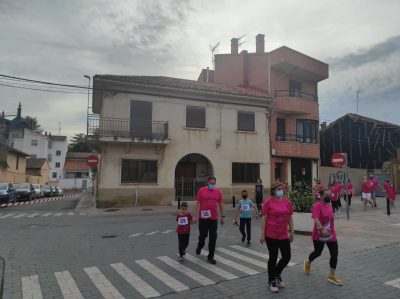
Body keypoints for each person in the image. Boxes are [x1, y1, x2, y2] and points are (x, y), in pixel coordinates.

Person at [259, 180, 294, 293]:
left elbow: (289, 217)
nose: (281, 191)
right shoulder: (268, 202)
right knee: (273, 257)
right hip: (271, 234)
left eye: (282, 189)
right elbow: (264, 218)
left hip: (283, 234)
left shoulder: (287, 202)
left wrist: (292, 231)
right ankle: (271, 280)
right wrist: (262, 234)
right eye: (279, 189)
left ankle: (277, 273)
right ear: (273, 191)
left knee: (287, 257)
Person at [304, 189, 342, 286]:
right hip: (319, 233)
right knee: (318, 252)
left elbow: (331, 220)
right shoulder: (316, 206)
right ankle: (308, 261)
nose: (329, 197)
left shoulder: (330, 206)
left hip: (330, 233)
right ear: (321, 196)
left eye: (330, 195)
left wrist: (331, 231)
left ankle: (331, 276)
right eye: (326, 195)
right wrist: (321, 229)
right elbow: (315, 218)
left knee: (334, 253)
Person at [193, 176, 224, 265]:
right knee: (203, 235)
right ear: (208, 182)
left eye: (214, 183)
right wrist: (194, 216)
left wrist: (223, 216)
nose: (212, 185)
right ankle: (200, 246)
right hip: (203, 218)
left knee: (213, 237)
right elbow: (196, 204)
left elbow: (221, 204)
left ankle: (211, 256)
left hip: (213, 218)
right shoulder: (201, 190)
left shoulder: (217, 191)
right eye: (211, 183)